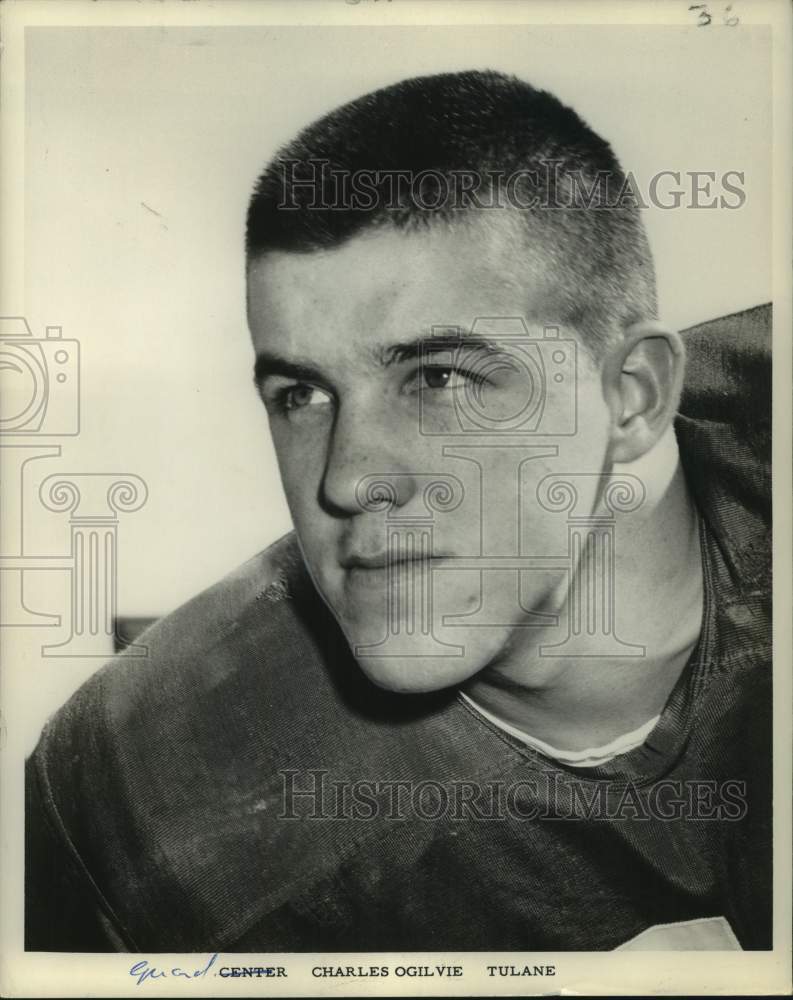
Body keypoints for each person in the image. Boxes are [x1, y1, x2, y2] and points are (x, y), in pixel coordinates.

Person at [25, 70, 771, 953]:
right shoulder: (149, 794)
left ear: (632, 396)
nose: (345, 480)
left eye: (440, 379)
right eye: (301, 393)